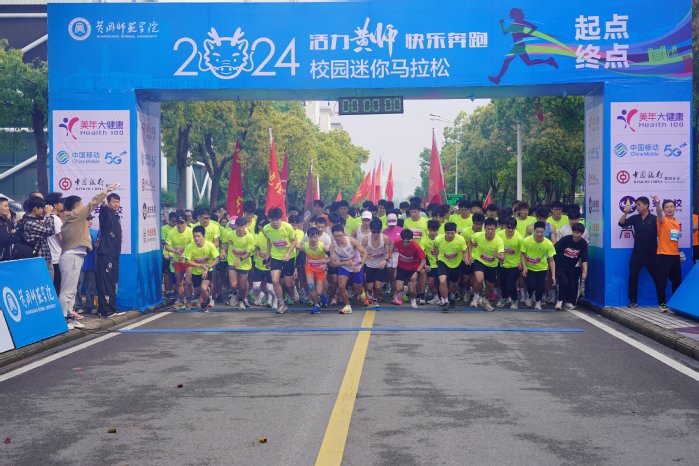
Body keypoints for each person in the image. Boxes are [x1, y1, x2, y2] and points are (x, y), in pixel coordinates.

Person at [59, 184, 118, 329]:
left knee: (72, 290)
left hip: (76, 255)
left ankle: (70, 317)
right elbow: (92, 203)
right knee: (67, 290)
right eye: (80, 204)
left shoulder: (76, 219)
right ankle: (63, 319)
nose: (83, 206)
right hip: (71, 255)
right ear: (75, 206)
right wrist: (106, 191)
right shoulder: (75, 215)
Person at [618, 196, 657, 308]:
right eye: (636, 204)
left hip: (652, 253)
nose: (637, 207)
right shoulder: (635, 218)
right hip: (637, 253)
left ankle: (662, 301)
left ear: (646, 206)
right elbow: (621, 223)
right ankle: (633, 300)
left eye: (639, 204)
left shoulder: (654, 218)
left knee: (658, 277)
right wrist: (626, 212)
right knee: (633, 276)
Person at [263, 207, 298, 314]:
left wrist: (288, 253)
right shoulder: (266, 229)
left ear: (281, 219)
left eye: (277, 220)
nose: (275, 222)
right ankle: (282, 304)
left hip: (289, 256)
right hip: (276, 256)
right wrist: (268, 254)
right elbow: (269, 241)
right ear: (269, 219)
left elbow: (295, 241)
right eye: (273, 220)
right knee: (275, 280)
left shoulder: (287, 227)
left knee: (288, 284)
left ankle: (293, 290)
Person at [652, 196, 682, 312]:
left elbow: (674, 239)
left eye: (671, 206)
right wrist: (657, 204)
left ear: (674, 208)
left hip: (675, 256)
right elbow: (659, 214)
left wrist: (679, 253)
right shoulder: (662, 220)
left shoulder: (676, 222)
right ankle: (662, 304)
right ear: (664, 210)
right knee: (662, 282)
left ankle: (675, 304)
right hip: (663, 255)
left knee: (677, 281)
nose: (669, 209)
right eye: (667, 207)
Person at [329, 223, 368, 315]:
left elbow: (365, 253)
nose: (338, 238)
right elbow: (333, 263)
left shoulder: (351, 241)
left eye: (340, 236)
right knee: (341, 286)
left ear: (344, 234)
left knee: (358, 290)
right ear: (333, 236)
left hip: (356, 265)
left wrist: (360, 265)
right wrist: (344, 263)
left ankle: (362, 293)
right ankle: (347, 306)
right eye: (336, 236)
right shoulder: (332, 246)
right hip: (344, 267)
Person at [468, 217, 505, 311]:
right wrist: (470, 254)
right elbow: (469, 240)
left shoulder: (499, 241)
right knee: (479, 279)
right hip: (479, 261)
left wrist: (498, 255)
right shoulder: (477, 235)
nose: (490, 231)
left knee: (490, 286)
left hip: (492, 265)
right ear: (484, 228)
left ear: (496, 229)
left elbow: (502, 258)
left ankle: (485, 301)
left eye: (492, 229)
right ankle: (476, 297)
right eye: (488, 229)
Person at [96, 192, 123, 317]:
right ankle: (104, 310)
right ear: (108, 202)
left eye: (118, 202)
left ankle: (112, 308)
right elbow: (103, 212)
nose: (116, 204)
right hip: (105, 254)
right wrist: (103, 205)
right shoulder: (105, 213)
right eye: (113, 202)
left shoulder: (116, 216)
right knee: (104, 282)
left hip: (114, 255)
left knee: (112, 282)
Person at [182, 225, 220, 312]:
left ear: (203, 236)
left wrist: (208, 267)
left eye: (198, 236)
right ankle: (206, 297)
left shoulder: (210, 245)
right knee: (197, 292)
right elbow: (186, 261)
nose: (196, 238)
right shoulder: (190, 246)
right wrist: (200, 265)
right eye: (194, 236)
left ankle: (204, 304)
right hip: (195, 272)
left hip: (207, 271)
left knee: (203, 288)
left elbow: (217, 259)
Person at [520, 221, 556, 310]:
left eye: (541, 232)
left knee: (540, 287)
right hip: (529, 268)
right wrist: (524, 267)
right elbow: (522, 254)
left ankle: (538, 302)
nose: (539, 234)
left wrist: (553, 276)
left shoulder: (548, 243)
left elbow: (551, 260)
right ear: (533, 231)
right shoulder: (526, 240)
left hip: (542, 268)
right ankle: (529, 296)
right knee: (531, 285)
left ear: (545, 232)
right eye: (537, 232)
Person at [434, 222, 468, 310]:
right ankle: (445, 301)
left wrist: (466, 258)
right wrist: (437, 258)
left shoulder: (460, 239)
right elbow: (435, 248)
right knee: (442, 281)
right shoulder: (438, 239)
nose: (450, 235)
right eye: (448, 233)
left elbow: (464, 251)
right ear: (444, 232)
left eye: (452, 233)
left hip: (456, 263)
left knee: (454, 283)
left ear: (455, 232)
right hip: (443, 262)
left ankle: (452, 296)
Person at [223, 216, 255, 309]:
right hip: (232, 261)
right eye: (238, 226)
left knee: (242, 287)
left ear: (245, 226)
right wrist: (223, 251)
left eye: (242, 226)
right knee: (233, 284)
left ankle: (241, 300)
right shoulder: (229, 234)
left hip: (244, 264)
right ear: (235, 226)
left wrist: (240, 259)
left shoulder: (250, 237)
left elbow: (249, 253)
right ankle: (234, 294)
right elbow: (225, 243)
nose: (240, 228)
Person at [554, 223, 588, 310]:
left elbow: (584, 259)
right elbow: (554, 250)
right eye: (574, 232)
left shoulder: (583, 244)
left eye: (578, 233)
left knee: (573, 284)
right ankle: (560, 300)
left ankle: (569, 302)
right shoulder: (565, 240)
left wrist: (584, 272)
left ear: (582, 234)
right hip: (561, 265)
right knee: (564, 282)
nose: (575, 235)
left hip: (573, 267)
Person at [391, 229, 426, 308]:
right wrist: (389, 257)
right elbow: (391, 249)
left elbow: (423, 261)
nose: (405, 243)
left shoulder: (416, 246)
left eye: (408, 242)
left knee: (411, 290)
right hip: (401, 268)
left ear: (412, 239)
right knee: (398, 288)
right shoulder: (397, 242)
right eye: (404, 241)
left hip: (413, 269)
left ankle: (413, 299)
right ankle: (403, 290)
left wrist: (417, 272)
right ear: (401, 239)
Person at [21, 196, 55, 275]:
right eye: (42, 208)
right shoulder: (30, 223)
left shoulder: (35, 221)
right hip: (38, 260)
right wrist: (48, 215)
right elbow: (49, 231)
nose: (43, 210)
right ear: (35, 209)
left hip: (44, 259)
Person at [165, 214, 194, 309]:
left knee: (188, 281)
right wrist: (174, 251)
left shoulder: (190, 232)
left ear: (186, 223)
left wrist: (185, 253)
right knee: (179, 282)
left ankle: (188, 299)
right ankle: (181, 299)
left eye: (182, 223)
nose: (179, 225)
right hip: (177, 260)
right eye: (178, 223)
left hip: (188, 260)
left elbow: (194, 245)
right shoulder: (172, 232)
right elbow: (167, 246)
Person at [362, 218, 392, 308]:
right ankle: (369, 292)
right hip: (369, 264)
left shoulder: (385, 238)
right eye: (374, 232)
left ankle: (375, 297)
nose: (375, 234)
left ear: (381, 230)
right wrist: (366, 256)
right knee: (370, 286)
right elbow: (361, 251)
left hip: (380, 264)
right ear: (370, 229)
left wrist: (385, 261)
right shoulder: (366, 239)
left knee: (378, 286)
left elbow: (388, 253)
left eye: (378, 232)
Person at [496, 216, 523, 309]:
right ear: (504, 226)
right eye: (508, 227)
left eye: (513, 228)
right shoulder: (499, 234)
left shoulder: (519, 238)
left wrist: (521, 263)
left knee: (510, 285)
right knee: (502, 284)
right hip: (502, 264)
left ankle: (514, 300)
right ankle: (504, 298)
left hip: (514, 265)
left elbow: (523, 252)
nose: (510, 230)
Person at [304, 227, 330, 314]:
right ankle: (316, 305)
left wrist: (326, 264)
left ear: (318, 236)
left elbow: (332, 256)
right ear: (308, 237)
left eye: (315, 237)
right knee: (311, 287)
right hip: (309, 268)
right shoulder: (305, 246)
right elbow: (299, 254)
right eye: (311, 237)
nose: (313, 239)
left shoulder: (323, 246)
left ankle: (323, 295)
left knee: (319, 291)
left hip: (320, 269)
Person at [251, 217, 276, 307]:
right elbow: (253, 247)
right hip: (259, 265)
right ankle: (261, 296)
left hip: (271, 266)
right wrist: (257, 249)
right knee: (255, 287)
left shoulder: (274, 237)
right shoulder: (258, 236)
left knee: (270, 287)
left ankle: (273, 300)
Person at [76, 215, 98, 315]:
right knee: (78, 285)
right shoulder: (78, 232)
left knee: (91, 285)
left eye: (91, 219)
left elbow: (97, 246)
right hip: (81, 262)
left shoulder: (95, 232)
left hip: (92, 263)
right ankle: (78, 305)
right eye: (87, 219)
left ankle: (90, 305)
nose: (90, 221)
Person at [45, 193, 65, 292]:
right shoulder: (55, 219)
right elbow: (61, 238)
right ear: (55, 205)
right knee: (57, 284)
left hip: (49, 256)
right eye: (60, 202)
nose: (62, 204)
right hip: (56, 256)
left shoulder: (45, 217)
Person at [383, 212, 403, 300]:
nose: (391, 224)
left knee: (397, 276)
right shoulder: (385, 231)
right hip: (389, 255)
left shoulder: (401, 230)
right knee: (392, 276)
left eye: (393, 221)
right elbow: (384, 244)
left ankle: (400, 293)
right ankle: (395, 292)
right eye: (389, 222)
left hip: (399, 255)